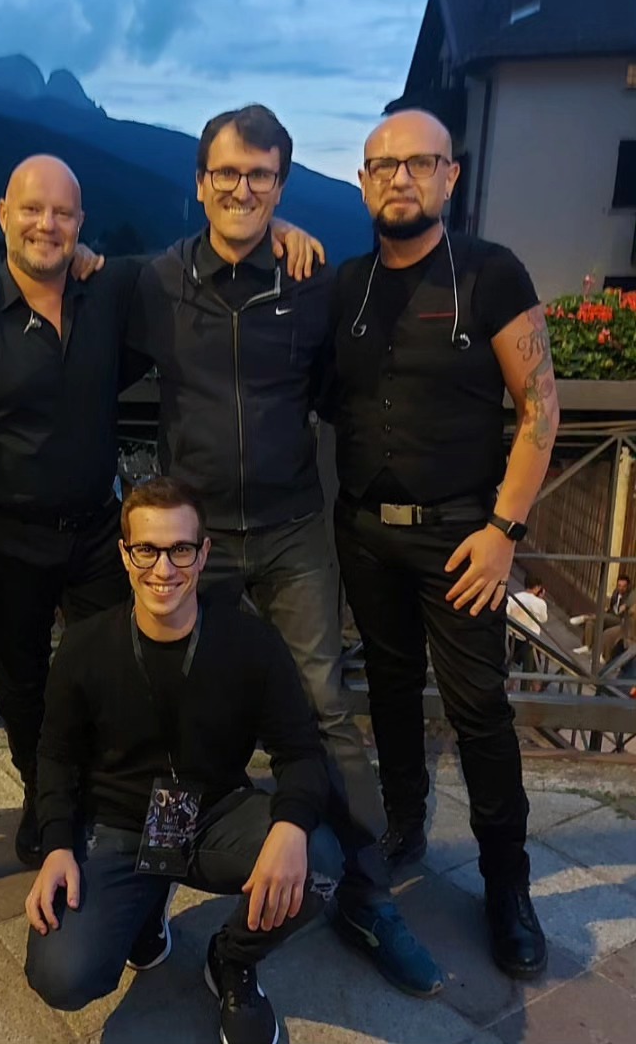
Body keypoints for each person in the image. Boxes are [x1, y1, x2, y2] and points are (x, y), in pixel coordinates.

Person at [126, 104, 441, 997]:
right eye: (227, 173)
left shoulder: (313, 283)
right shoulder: (153, 283)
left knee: (326, 709)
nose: (242, 188)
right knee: (175, 703)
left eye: (260, 175)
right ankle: (155, 878)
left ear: (281, 185)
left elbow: (346, 391)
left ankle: (369, 897)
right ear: (200, 183)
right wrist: (75, 259)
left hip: (294, 528)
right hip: (194, 539)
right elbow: (80, 320)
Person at [328, 109, 559, 979]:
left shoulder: (492, 274)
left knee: (479, 710)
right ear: (363, 182)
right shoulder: (347, 285)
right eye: (383, 165)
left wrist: (504, 532)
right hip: (364, 531)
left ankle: (508, 885)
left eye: (419, 162)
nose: (401, 178)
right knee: (388, 687)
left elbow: (540, 409)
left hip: (464, 538)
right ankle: (403, 822)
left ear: (450, 176)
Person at [24, 477, 330, 1044]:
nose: (163, 569)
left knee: (323, 861)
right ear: (125, 554)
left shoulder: (251, 644)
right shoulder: (85, 646)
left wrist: (290, 825)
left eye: (180, 550)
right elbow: (56, 755)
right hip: (118, 824)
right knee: (61, 974)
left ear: (203, 553)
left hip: (214, 812)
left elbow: (301, 750)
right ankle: (142, 913)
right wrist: (57, 844)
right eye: (147, 549)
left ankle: (233, 959)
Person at [0, 155, 140, 868]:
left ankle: (95, 795)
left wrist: (280, 230)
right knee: (20, 685)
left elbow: (190, 267)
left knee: (109, 672)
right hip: (8, 539)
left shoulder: (107, 303)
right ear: (3, 214)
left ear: (80, 224)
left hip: (98, 533)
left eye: (62, 213)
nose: (46, 223)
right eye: (32, 209)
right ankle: (42, 798)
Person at [572, 574, 632, 658]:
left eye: (624, 586)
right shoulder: (615, 593)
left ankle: (584, 617)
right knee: (591, 622)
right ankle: (587, 646)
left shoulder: (629, 597)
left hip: (620, 620)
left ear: (627, 587)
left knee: (603, 618)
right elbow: (611, 607)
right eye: (619, 586)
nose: (621, 588)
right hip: (610, 616)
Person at [507, 576, 548, 691]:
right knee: (534, 668)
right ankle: (535, 690)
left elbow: (507, 613)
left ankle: (510, 687)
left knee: (514, 664)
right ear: (538, 587)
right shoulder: (540, 603)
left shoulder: (513, 598)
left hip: (514, 636)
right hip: (532, 639)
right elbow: (543, 619)